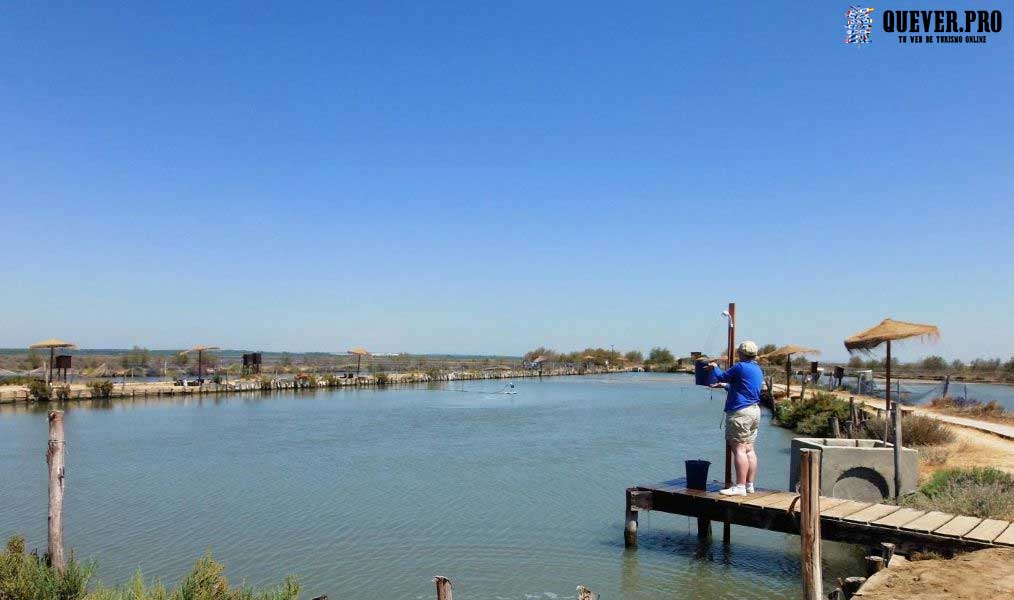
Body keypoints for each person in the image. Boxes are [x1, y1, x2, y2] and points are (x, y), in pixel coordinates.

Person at [709, 340, 764, 496]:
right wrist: (725, 387)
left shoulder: (740, 367)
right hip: (754, 411)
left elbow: (721, 376)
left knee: (738, 449)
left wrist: (714, 367)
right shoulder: (757, 369)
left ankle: (739, 487)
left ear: (740, 353)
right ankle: (749, 485)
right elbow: (744, 387)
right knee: (749, 449)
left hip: (741, 412)